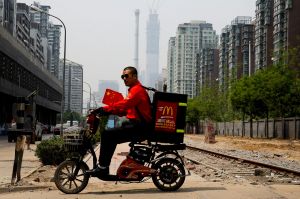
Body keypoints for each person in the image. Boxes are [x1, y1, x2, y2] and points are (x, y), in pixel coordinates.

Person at [88, 66, 152, 177]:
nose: (124, 78)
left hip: (139, 127)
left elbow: (124, 104)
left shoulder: (137, 90)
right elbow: (124, 110)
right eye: (122, 76)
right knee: (110, 133)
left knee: (107, 134)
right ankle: (103, 166)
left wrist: (105, 109)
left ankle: (103, 168)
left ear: (135, 76)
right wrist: (107, 111)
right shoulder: (134, 90)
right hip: (136, 125)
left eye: (126, 76)